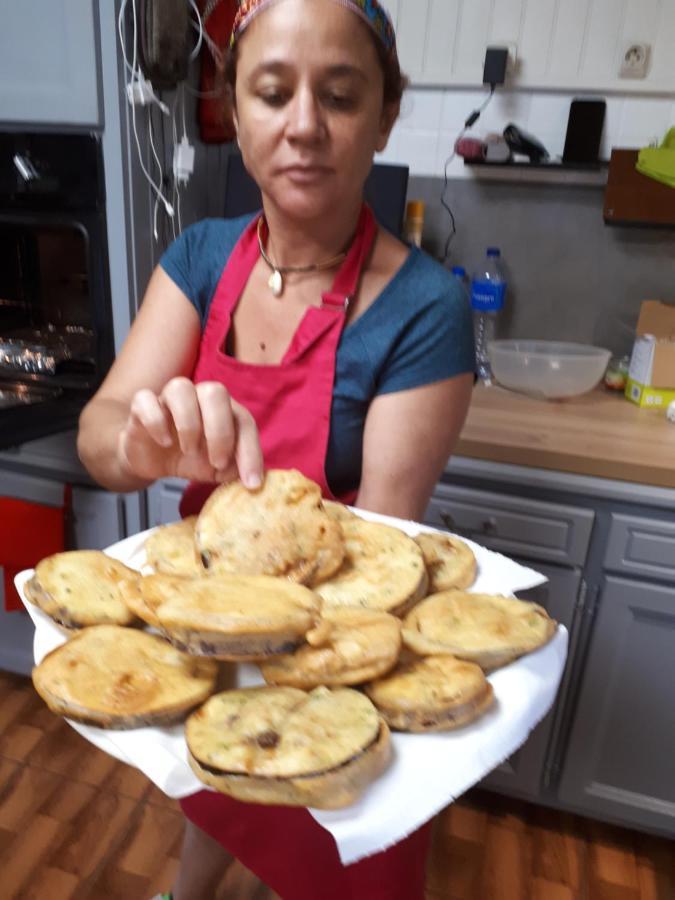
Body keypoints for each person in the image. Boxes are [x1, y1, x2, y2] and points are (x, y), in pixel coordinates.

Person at [77, 0, 475, 897]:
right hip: (207, 640)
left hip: (331, 662)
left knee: (337, 853)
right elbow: (98, 435)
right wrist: (143, 445)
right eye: (271, 91)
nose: (303, 126)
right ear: (233, 107)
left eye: (339, 95)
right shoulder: (199, 258)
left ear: (384, 113)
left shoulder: (423, 308)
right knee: (215, 793)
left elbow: (378, 566)